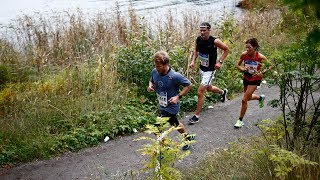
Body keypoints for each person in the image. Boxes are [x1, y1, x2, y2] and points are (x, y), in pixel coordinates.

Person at [147, 50, 195, 150]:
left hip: (171, 106)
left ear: (166, 64)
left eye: (159, 66)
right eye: (155, 65)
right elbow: (151, 80)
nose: (156, 68)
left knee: (156, 128)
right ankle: (187, 138)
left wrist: (178, 97)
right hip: (162, 105)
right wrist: (150, 86)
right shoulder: (155, 71)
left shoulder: (174, 76)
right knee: (175, 123)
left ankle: (164, 148)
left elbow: (189, 85)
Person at [188, 22, 230, 124]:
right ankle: (223, 92)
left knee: (200, 91)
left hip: (210, 70)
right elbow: (196, 51)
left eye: (204, 30)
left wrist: (219, 62)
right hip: (202, 68)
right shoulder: (198, 39)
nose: (202, 32)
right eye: (201, 30)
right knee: (209, 88)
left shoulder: (214, 41)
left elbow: (226, 49)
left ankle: (196, 116)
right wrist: (193, 61)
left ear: (209, 30)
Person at [234, 38, 273, 128]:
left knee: (244, 100)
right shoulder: (244, 55)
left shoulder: (260, 57)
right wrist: (242, 69)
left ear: (255, 47)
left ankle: (240, 120)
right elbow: (238, 65)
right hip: (246, 77)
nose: (247, 49)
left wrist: (261, 72)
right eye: (246, 47)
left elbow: (270, 66)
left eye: (249, 48)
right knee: (247, 97)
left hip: (255, 79)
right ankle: (260, 98)